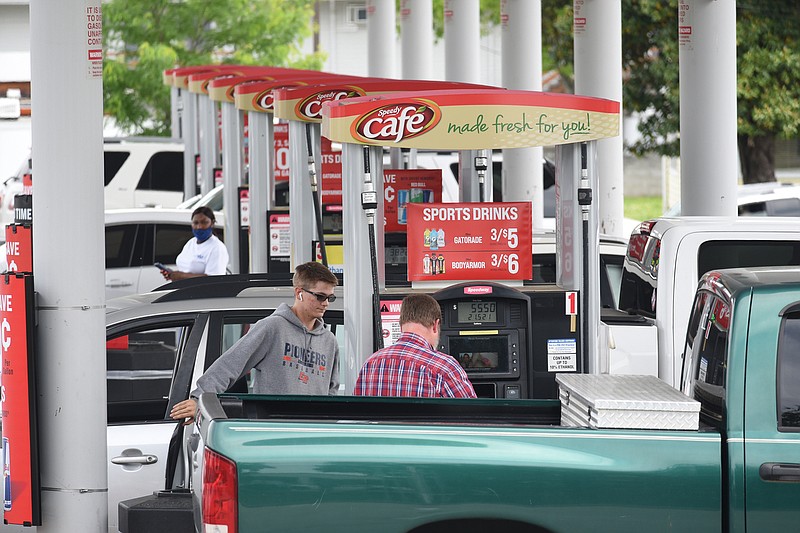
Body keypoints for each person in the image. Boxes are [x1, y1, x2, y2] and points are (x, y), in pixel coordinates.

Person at [170, 261, 340, 424]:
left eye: (329, 298)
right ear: (298, 293)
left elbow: (332, 394)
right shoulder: (272, 327)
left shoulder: (329, 341)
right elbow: (231, 364)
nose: (325, 303)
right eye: (320, 296)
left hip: (315, 434)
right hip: (272, 433)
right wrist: (200, 399)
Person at [354, 293, 476, 398]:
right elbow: (474, 417)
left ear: (400, 324)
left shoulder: (370, 364)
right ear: (435, 325)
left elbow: (358, 416)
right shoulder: (443, 367)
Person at [159, 206, 228, 282]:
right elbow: (185, 270)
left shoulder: (217, 248)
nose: (199, 227)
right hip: (185, 290)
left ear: (212, 223)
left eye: (204, 222)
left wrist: (181, 276)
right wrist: (173, 275)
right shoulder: (190, 243)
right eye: (196, 223)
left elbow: (214, 279)